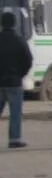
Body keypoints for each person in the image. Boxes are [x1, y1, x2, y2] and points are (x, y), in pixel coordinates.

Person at [0, 12, 32, 148]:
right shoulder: (19, 39)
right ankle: (14, 140)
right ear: (14, 23)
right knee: (15, 112)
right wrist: (20, 74)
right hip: (14, 82)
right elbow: (28, 60)